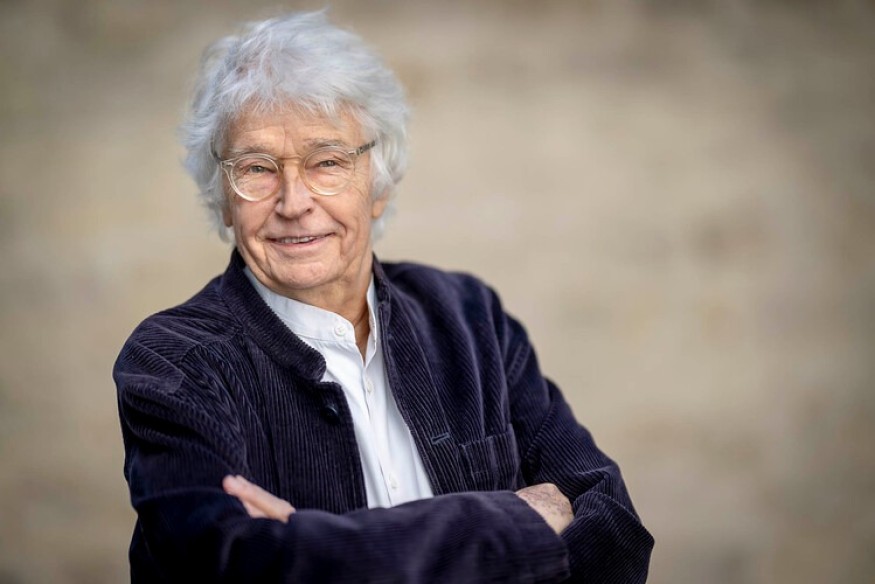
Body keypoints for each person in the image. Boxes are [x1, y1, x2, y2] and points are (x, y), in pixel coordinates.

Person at [113, 10, 654, 583]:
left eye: (327, 161)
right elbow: (233, 566)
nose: (294, 202)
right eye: (256, 168)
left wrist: (310, 546)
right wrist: (510, 521)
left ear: (379, 182)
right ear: (224, 197)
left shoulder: (471, 319)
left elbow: (616, 537)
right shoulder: (174, 363)